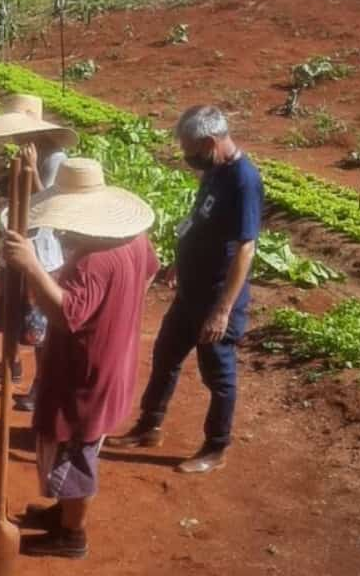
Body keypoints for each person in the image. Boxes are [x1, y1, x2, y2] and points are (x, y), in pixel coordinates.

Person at [0, 157, 159, 559]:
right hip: (114, 360)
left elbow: (66, 314)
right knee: (83, 446)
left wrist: (32, 266)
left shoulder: (93, 260)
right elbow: (150, 273)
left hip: (85, 372)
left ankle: (72, 535)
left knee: (76, 449)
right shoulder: (136, 240)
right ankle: (63, 515)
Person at [107, 105, 263, 475]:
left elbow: (246, 247)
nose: (187, 156)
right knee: (165, 356)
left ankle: (216, 447)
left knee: (218, 376)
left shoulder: (243, 180)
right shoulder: (214, 172)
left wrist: (223, 309)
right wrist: (181, 259)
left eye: (191, 149)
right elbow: (201, 220)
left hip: (215, 297)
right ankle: (150, 425)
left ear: (210, 143)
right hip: (190, 292)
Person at [0, 94, 78, 413]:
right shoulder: (28, 150)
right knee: (11, 315)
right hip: (16, 245)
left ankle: (42, 382)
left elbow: (49, 204)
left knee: (38, 325)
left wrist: (31, 169)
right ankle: (9, 365)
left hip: (39, 255)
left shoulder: (55, 158)